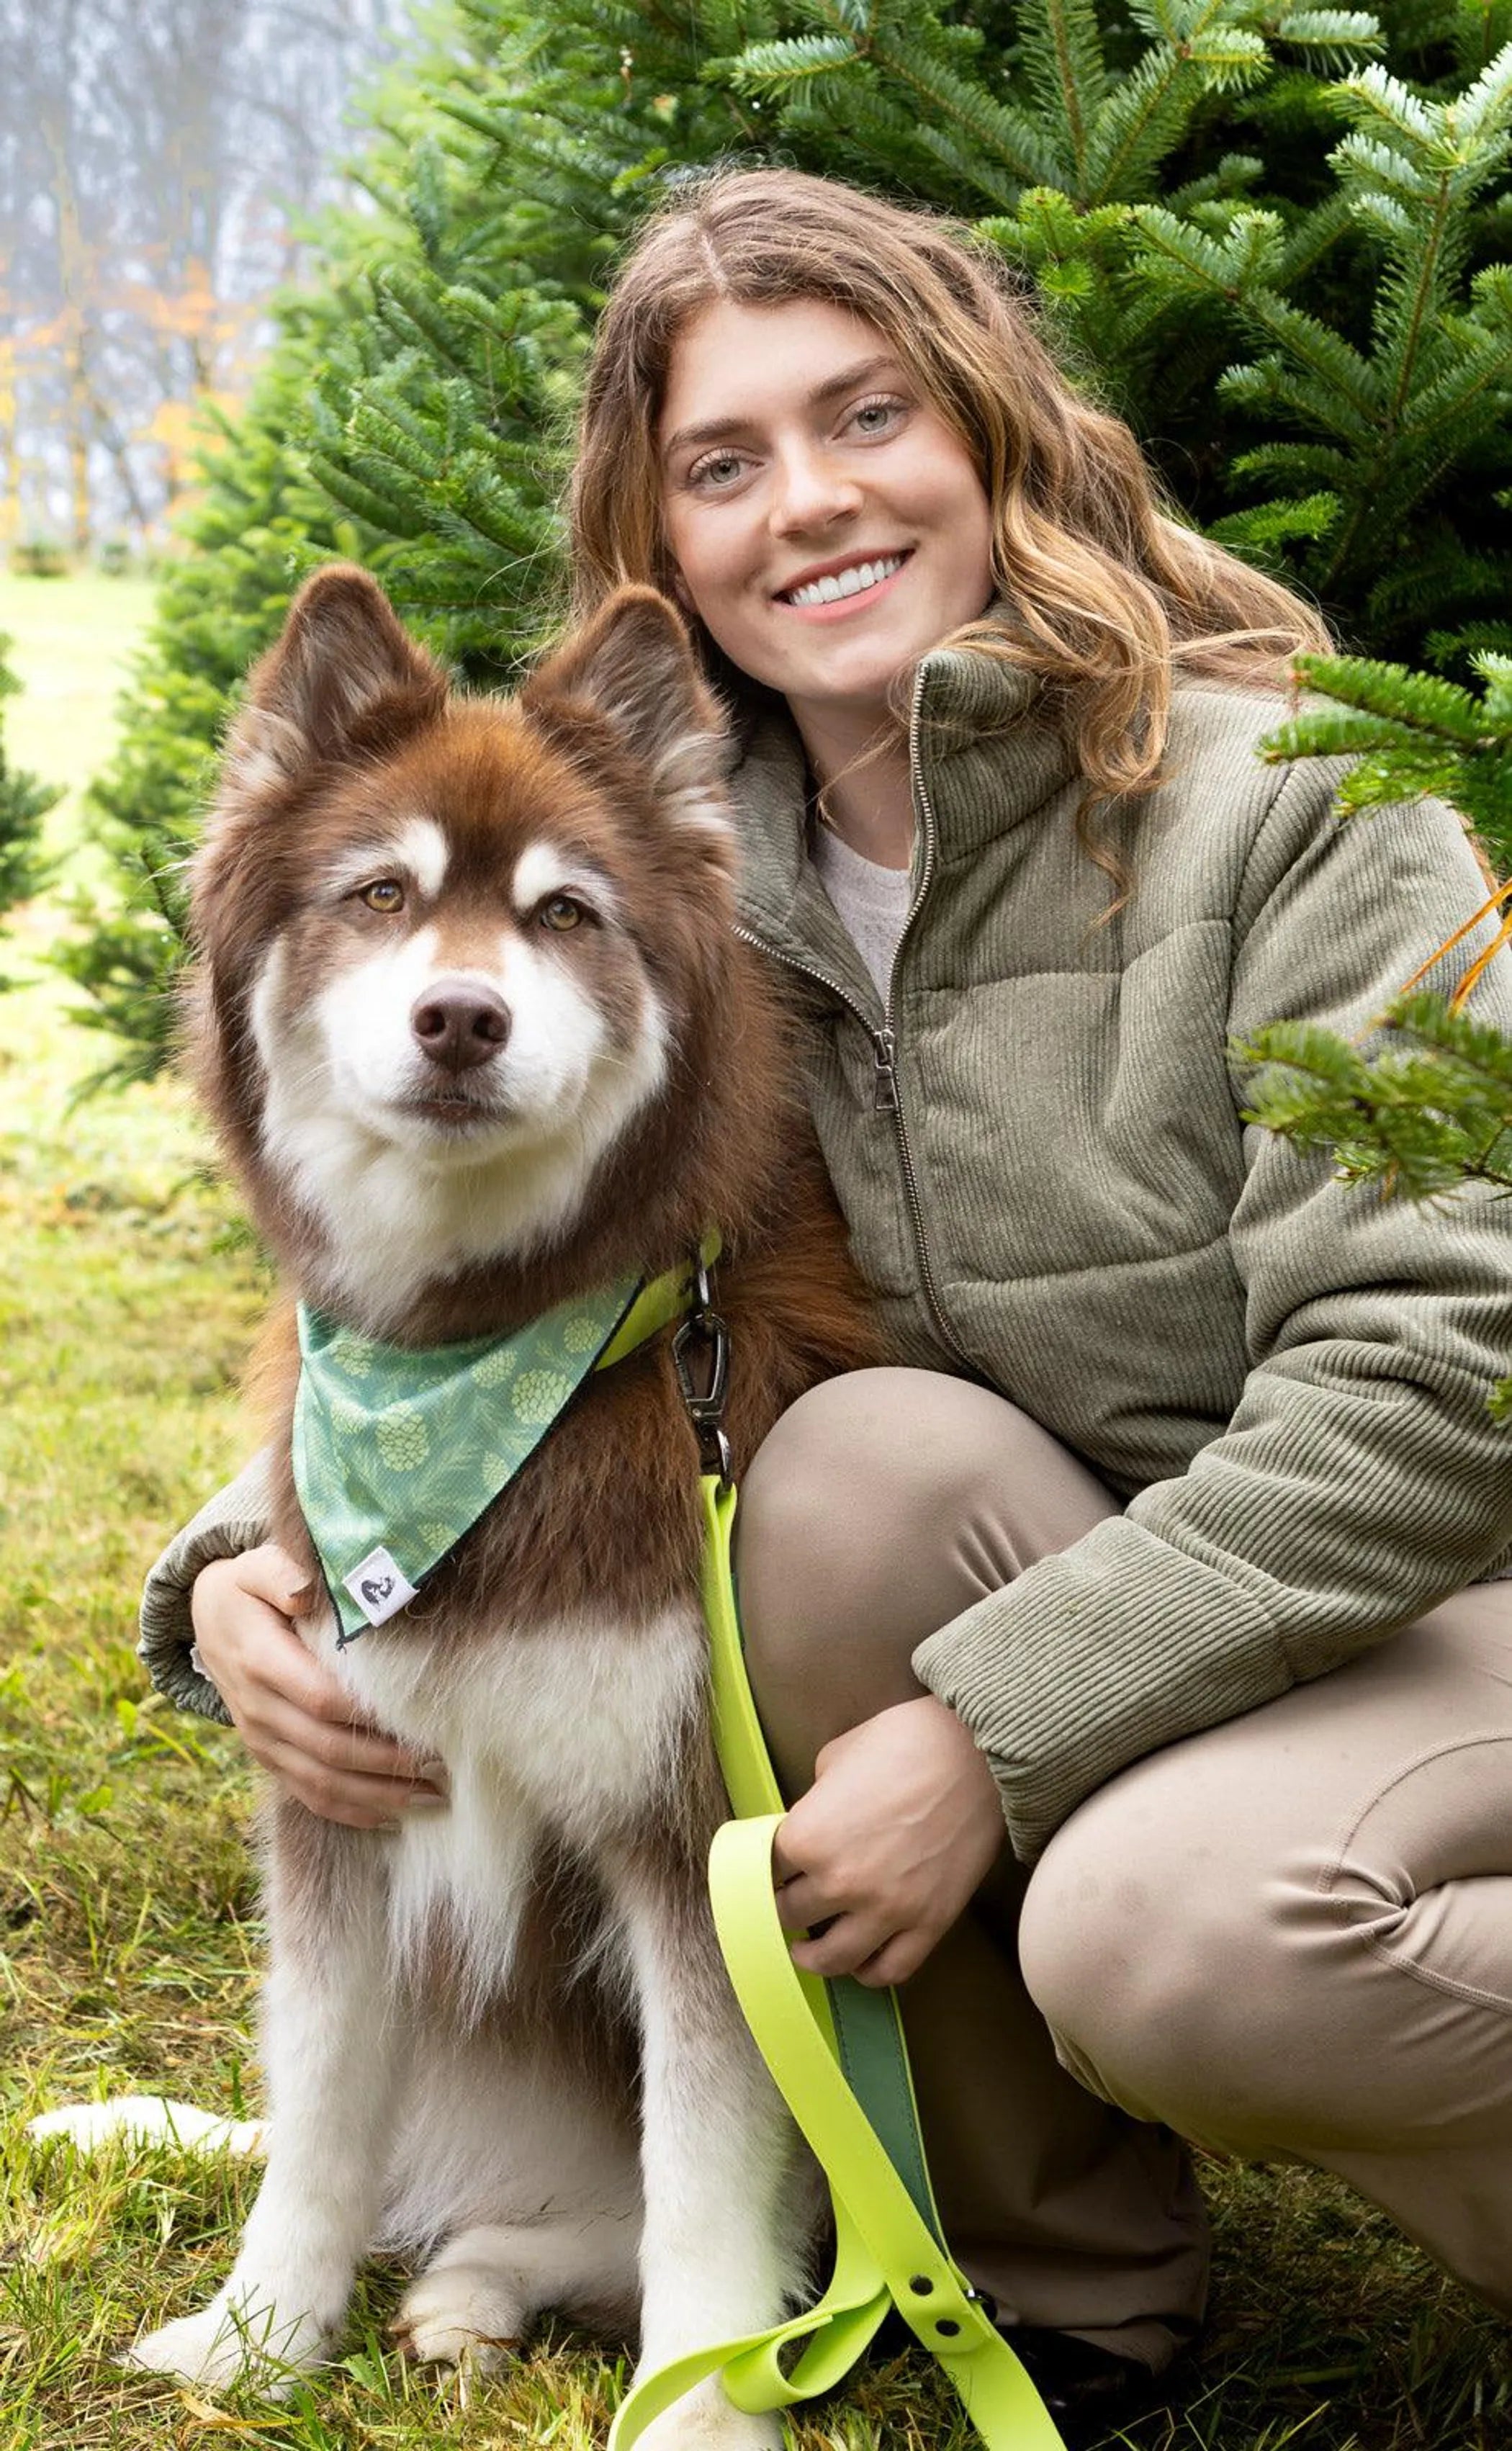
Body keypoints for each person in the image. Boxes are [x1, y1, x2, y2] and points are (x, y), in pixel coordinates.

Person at [138, 168, 1512, 2441]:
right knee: (852, 1471)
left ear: (983, 428)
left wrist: (988, 1733)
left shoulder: (1293, 802)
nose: (809, 501)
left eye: (862, 414)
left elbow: (1441, 1376)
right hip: (1076, 1557)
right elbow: (513, 1308)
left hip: (1419, 1593)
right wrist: (242, 1574)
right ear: (657, 536)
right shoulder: (685, 890)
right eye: (722, 462)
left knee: (1160, 1935)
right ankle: (1066, 2279)